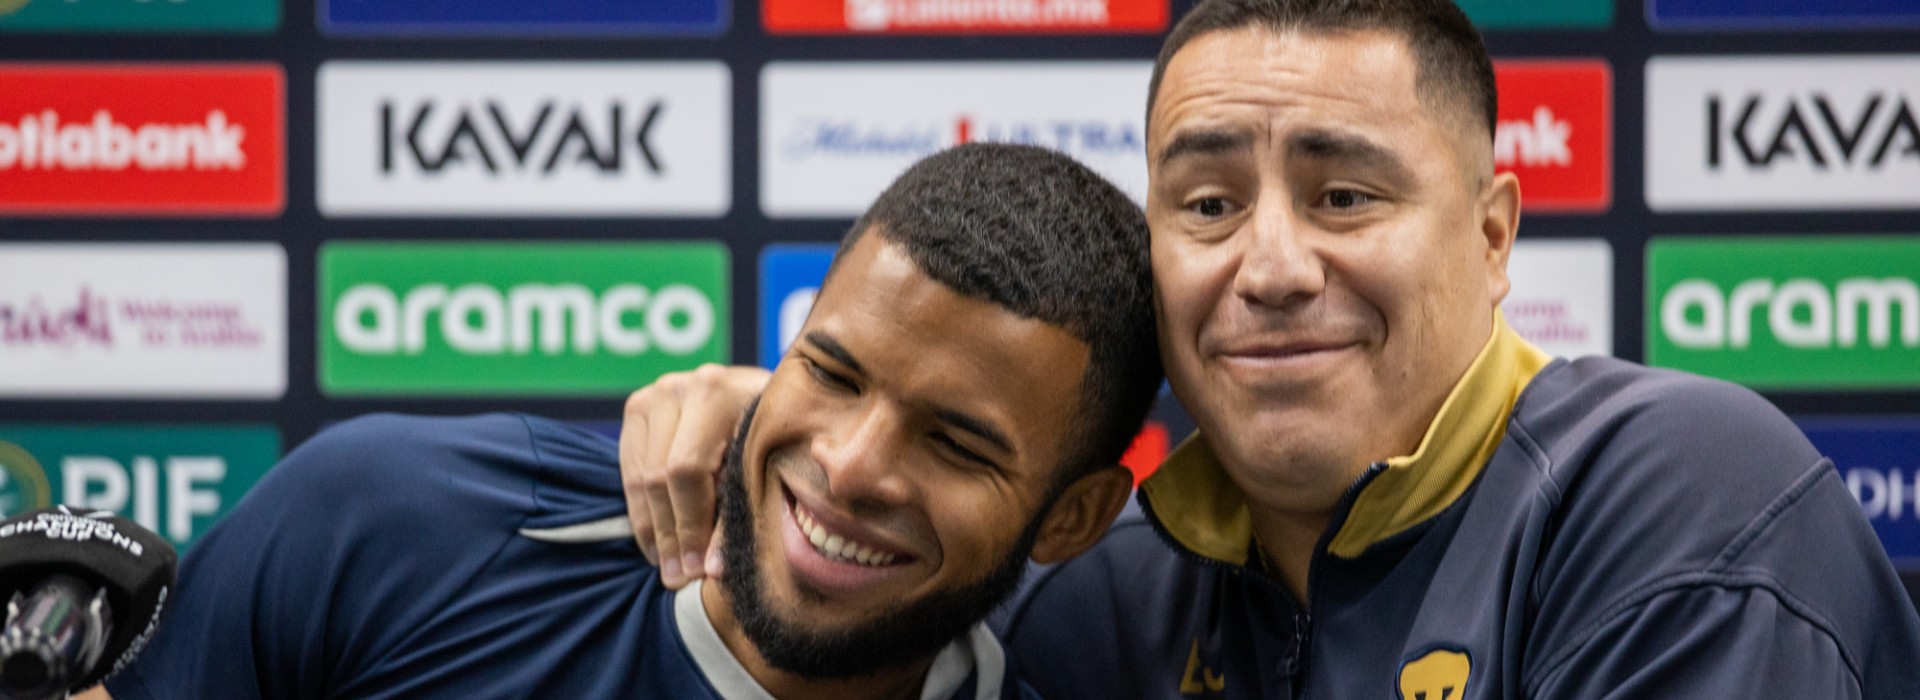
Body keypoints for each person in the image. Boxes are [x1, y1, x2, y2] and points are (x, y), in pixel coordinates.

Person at [618, 0, 1920, 697]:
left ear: (1491, 235)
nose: (1274, 264)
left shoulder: (1677, 490)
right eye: (1207, 204)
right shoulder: (1092, 589)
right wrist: (782, 434)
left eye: (1345, 195)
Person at [82, 143, 1162, 700]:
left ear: (1073, 516)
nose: (849, 466)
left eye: (956, 443)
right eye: (831, 374)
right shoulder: (386, 517)